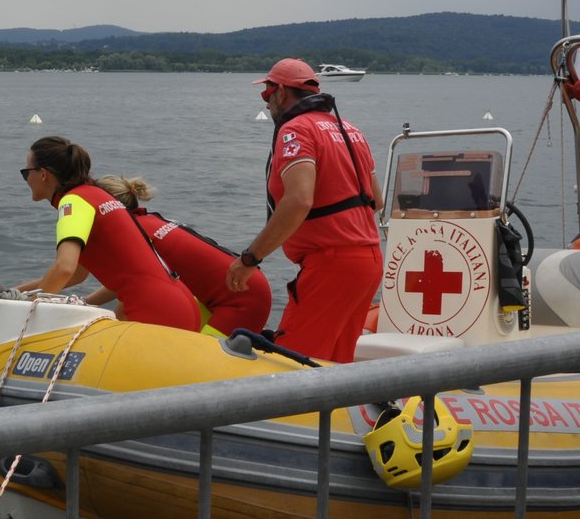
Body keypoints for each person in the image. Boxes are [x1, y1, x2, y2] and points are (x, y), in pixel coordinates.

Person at [227, 58, 383, 363]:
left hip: (332, 265)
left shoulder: (295, 131)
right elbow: (376, 201)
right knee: (335, 363)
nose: (267, 102)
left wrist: (250, 258)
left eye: (266, 94)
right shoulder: (350, 130)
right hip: (369, 261)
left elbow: (299, 200)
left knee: (293, 364)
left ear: (281, 92)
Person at [19, 136, 200, 331]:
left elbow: (64, 268)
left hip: (155, 310)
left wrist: (23, 315)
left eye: (26, 172)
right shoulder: (95, 194)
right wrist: (15, 293)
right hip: (181, 303)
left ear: (43, 174)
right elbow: (77, 276)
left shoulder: (73, 202)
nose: (27, 179)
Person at [88, 174, 272, 336]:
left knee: (199, 366)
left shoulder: (135, 233)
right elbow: (128, 285)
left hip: (242, 300)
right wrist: (88, 303)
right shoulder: (149, 221)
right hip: (244, 283)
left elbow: (129, 284)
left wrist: (86, 304)